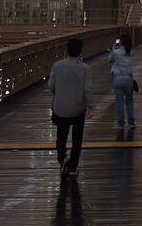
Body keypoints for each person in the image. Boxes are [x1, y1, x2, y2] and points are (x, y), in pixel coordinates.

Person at [49, 37, 93, 179]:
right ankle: (73, 166)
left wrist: (60, 92)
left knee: (61, 135)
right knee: (77, 138)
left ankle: (62, 159)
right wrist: (90, 105)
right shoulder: (85, 68)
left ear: (67, 49)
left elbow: (51, 86)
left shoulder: (57, 66)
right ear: (80, 51)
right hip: (78, 108)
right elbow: (87, 89)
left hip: (60, 108)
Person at [109, 33, 136, 127]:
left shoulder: (116, 51)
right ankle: (131, 121)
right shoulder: (131, 51)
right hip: (129, 78)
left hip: (118, 78)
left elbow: (110, 59)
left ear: (121, 41)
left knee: (119, 102)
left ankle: (121, 122)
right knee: (130, 101)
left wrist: (114, 48)